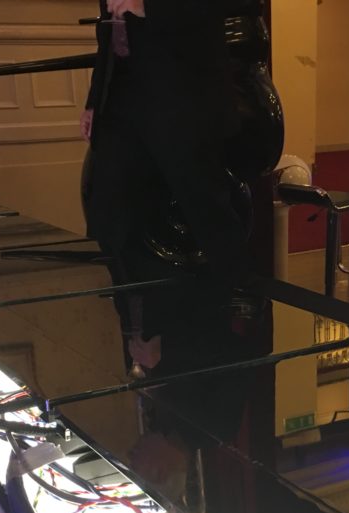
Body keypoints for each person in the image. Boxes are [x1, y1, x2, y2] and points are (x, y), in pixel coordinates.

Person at [79, 0, 249, 295]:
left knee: (207, 211)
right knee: (108, 212)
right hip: (121, 97)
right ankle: (133, 312)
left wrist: (149, 7)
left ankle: (235, 307)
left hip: (184, 97)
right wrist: (95, 100)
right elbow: (109, 31)